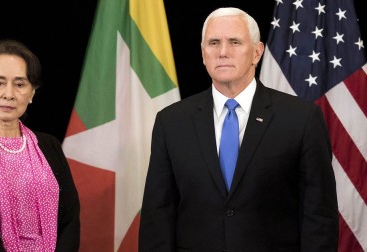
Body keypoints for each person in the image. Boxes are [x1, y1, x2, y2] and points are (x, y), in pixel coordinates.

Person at [139, 7, 338, 252]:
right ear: (203, 54)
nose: (223, 52)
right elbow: (157, 217)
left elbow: (319, 218)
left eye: (234, 42)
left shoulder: (301, 119)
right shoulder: (170, 122)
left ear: (257, 52)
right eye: (213, 43)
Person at [0, 39, 80, 252]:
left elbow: (70, 219)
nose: (9, 94)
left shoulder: (50, 146)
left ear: (32, 92)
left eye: (19, 84)